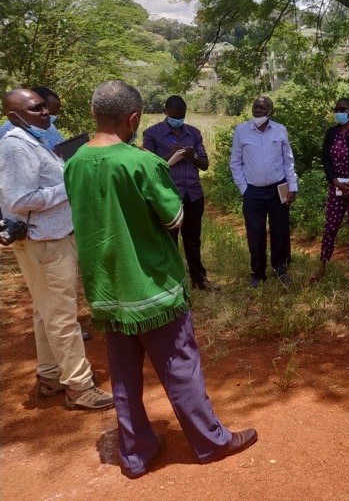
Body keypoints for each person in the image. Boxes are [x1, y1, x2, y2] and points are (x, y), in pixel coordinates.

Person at [64, 80, 256, 479]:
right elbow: (174, 218)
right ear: (133, 119)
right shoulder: (143, 163)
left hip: (107, 292)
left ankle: (134, 453)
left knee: (124, 377)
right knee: (180, 368)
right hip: (153, 290)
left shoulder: (74, 162)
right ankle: (211, 441)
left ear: (94, 113)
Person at [0, 89, 113, 410]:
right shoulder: (14, 147)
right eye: (36, 109)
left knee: (45, 312)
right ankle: (79, 387)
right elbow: (19, 201)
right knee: (62, 317)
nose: (45, 113)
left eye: (43, 107)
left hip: (52, 236)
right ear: (15, 117)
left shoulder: (34, 140)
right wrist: (69, 184)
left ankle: (50, 375)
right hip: (44, 241)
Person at [143, 95, 215, 291]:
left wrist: (194, 156)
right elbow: (147, 166)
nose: (178, 120)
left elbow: (205, 164)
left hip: (192, 193)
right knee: (169, 240)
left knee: (193, 239)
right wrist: (169, 155)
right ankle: (173, 282)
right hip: (167, 195)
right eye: (174, 116)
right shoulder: (152, 134)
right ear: (165, 112)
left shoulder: (194, 133)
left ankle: (199, 278)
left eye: (181, 116)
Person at [230, 96, 299, 286]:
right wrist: (244, 189)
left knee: (280, 231)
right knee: (255, 233)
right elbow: (236, 163)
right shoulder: (241, 130)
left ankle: (281, 269)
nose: (258, 110)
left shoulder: (280, 130)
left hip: (278, 189)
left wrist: (292, 186)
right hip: (253, 192)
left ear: (270, 111)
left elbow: (288, 161)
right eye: (255, 106)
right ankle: (257, 273)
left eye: (262, 107)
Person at [312, 97, 349, 282]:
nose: (338, 112)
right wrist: (335, 181)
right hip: (336, 187)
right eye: (336, 109)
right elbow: (326, 160)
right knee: (330, 227)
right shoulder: (331, 133)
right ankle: (323, 264)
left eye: (342, 109)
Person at [0, 86, 65, 149]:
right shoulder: (9, 140)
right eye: (37, 108)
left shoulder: (49, 127)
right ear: (14, 116)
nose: (47, 112)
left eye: (45, 106)